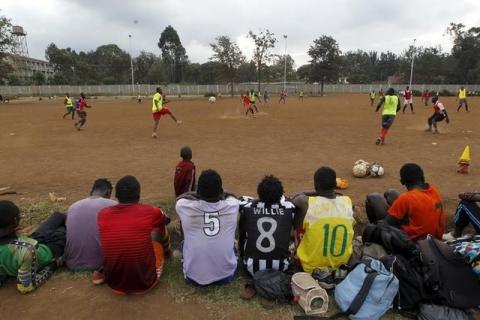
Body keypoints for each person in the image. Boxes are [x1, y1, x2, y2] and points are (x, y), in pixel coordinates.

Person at [97, 175, 171, 294]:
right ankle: (168, 254)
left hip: (114, 284)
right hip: (145, 284)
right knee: (159, 228)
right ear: (138, 195)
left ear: (116, 196)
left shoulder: (102, 214)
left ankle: (102, 271)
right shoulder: (152, 211)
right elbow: (167, 220)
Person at [175, 169, 239, 286]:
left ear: (198, 191)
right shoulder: (233, 205)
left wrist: (197, 193)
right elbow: (231, 195)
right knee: (233, 243)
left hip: (193, 277)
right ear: (220, 191)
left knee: (184, 241)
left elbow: (181, 198)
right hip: (226, 275)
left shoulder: (183, 206)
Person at [292, 167, 355, 273]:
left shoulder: (306, 203)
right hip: (341, 265)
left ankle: (298, 251)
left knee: (298, 214)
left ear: (316, 185)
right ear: (335, 185)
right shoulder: (347, 201)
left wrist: (313, 191)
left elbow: (297, 197)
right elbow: (340, 195)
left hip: (309, 267)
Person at [365, 163, 446, 241]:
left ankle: (377, 240)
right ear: (423, 178)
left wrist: (372, 229)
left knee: (373, 198)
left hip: (414, 244)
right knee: (391, 193)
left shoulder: (407, 198)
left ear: (402, 182)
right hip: (435, 239)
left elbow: (386, 223)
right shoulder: (434, 190)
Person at [0, 200, 66, 293]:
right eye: (19, 215)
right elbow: (25, 287)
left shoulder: (20, 246)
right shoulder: (25, 251)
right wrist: (54, 265)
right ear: (15, 221)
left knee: (58, 216)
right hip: (48, 251)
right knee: (63, 231)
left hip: (29, 242)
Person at [239, 175, 295, 276]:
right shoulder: (289, 207)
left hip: (251, 268)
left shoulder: (247, 207)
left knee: (244, 223)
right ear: (280, 194)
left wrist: (257, 201)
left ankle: (243, 253)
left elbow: (240, 200)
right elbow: (292, 200)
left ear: (259, 194)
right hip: (282, 267)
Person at [64, 179, 117, 271]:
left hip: (72, 264)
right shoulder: (113, 205)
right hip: (100, 263)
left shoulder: (73, 206)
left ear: (91, 191)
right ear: (108, 193)